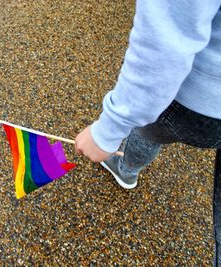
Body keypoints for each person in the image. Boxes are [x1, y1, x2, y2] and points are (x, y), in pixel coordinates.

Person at [74, 0, 221, 265]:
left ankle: (127, 169)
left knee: (146, 132)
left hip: (200, 104)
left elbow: (165, 43)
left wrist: (109, 128)